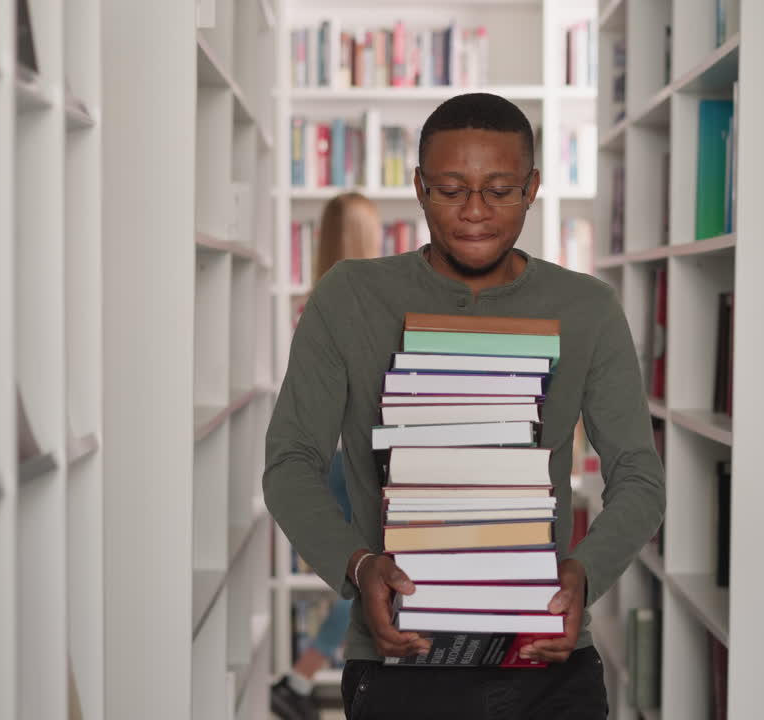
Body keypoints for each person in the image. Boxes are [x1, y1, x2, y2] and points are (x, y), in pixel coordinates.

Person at [263, 93, 665, 720]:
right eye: (451, 190)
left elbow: (640, 475)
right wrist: (359, 565)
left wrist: (584, 575)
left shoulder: (588, 308)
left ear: (533, 187)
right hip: (398, 663)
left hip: (548, 665)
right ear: (419, 187)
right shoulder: (349, 297)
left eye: (500, 191)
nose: (475, 212)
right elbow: (290, 461)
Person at [271, 192, 383, 720]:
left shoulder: (312, 306)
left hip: (325, 455)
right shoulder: (371, 305)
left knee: (355, 577)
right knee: (365, 581)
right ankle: (300, 678)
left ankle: (301, 677)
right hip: (357, 457)